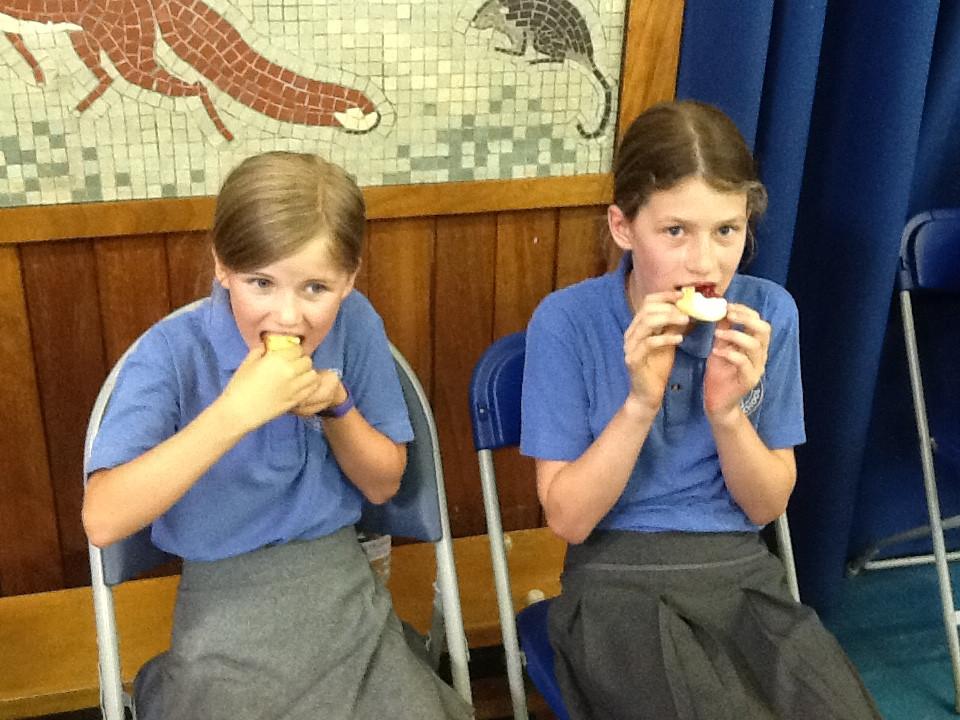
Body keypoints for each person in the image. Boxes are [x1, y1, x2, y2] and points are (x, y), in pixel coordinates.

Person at [520, 100, 881, 720]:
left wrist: (727, 413)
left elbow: (765, 507)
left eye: (727, 231)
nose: (705, 262)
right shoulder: (566, 321)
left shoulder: (768, 315)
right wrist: (640, 403)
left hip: (739, 573)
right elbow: (570, 521)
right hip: (615, 581)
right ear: (623, 227)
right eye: (675, 232)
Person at [82, 151, 473, 720]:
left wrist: (339, 408)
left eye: (316, 288)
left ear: (350, 279)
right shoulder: (171, 354)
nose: (288, 317)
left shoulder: (356, 324)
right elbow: (103, 519)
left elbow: (384, 485)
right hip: (220, 608)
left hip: (344, 593)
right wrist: (235, 413)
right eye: (261, 283)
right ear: (222, 266)